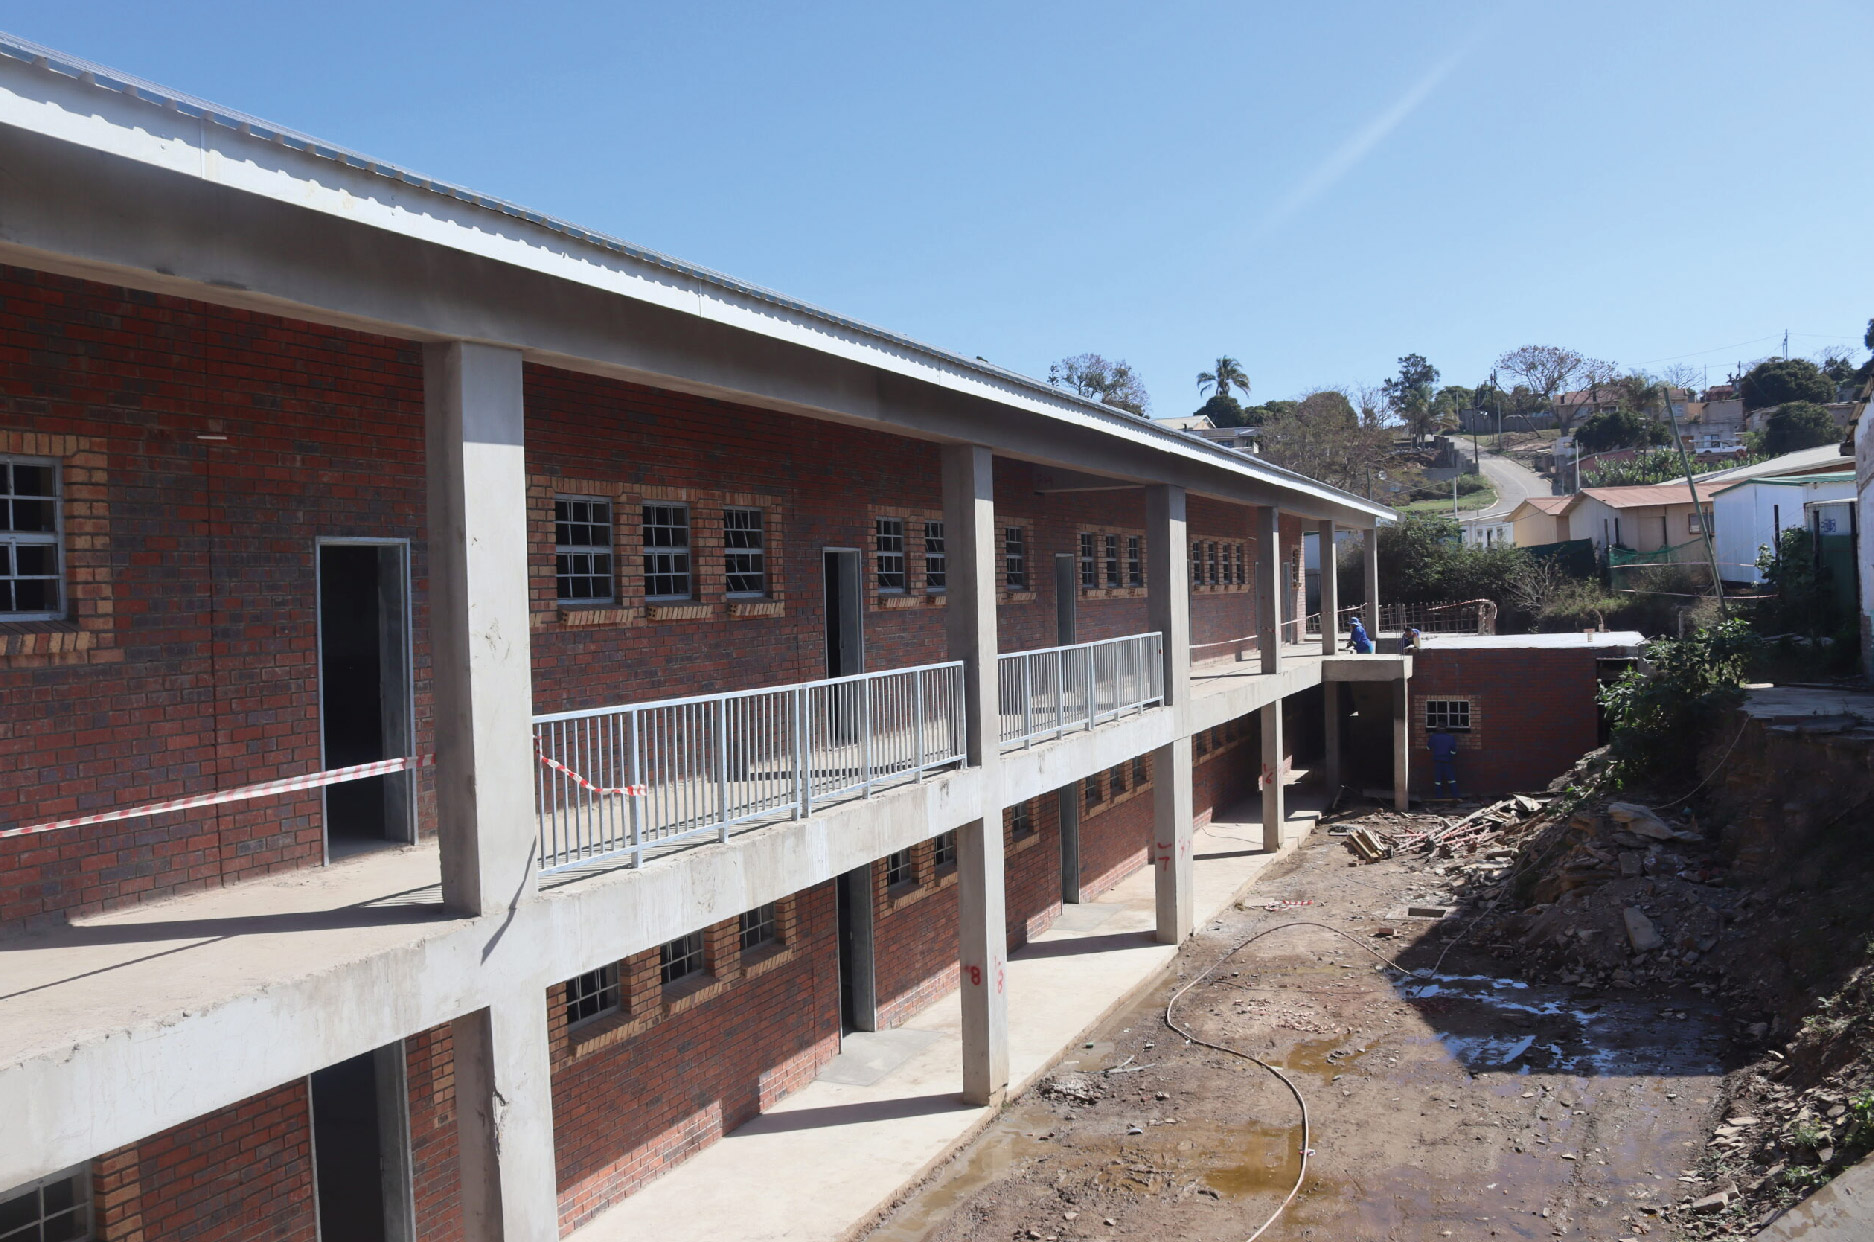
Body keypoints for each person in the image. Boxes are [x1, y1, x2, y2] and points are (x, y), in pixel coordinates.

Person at [1430, 725, 1460, 800]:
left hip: (1437, 761)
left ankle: (1439, 797)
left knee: (1438, 780)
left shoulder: (1434, 737)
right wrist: (1450, 756)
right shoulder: (1450, 737)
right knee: (1451, 779)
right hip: (1447, 761)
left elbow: (1428, 747)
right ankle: (1455, 796)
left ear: (1437, 729)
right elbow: (1454, 750)